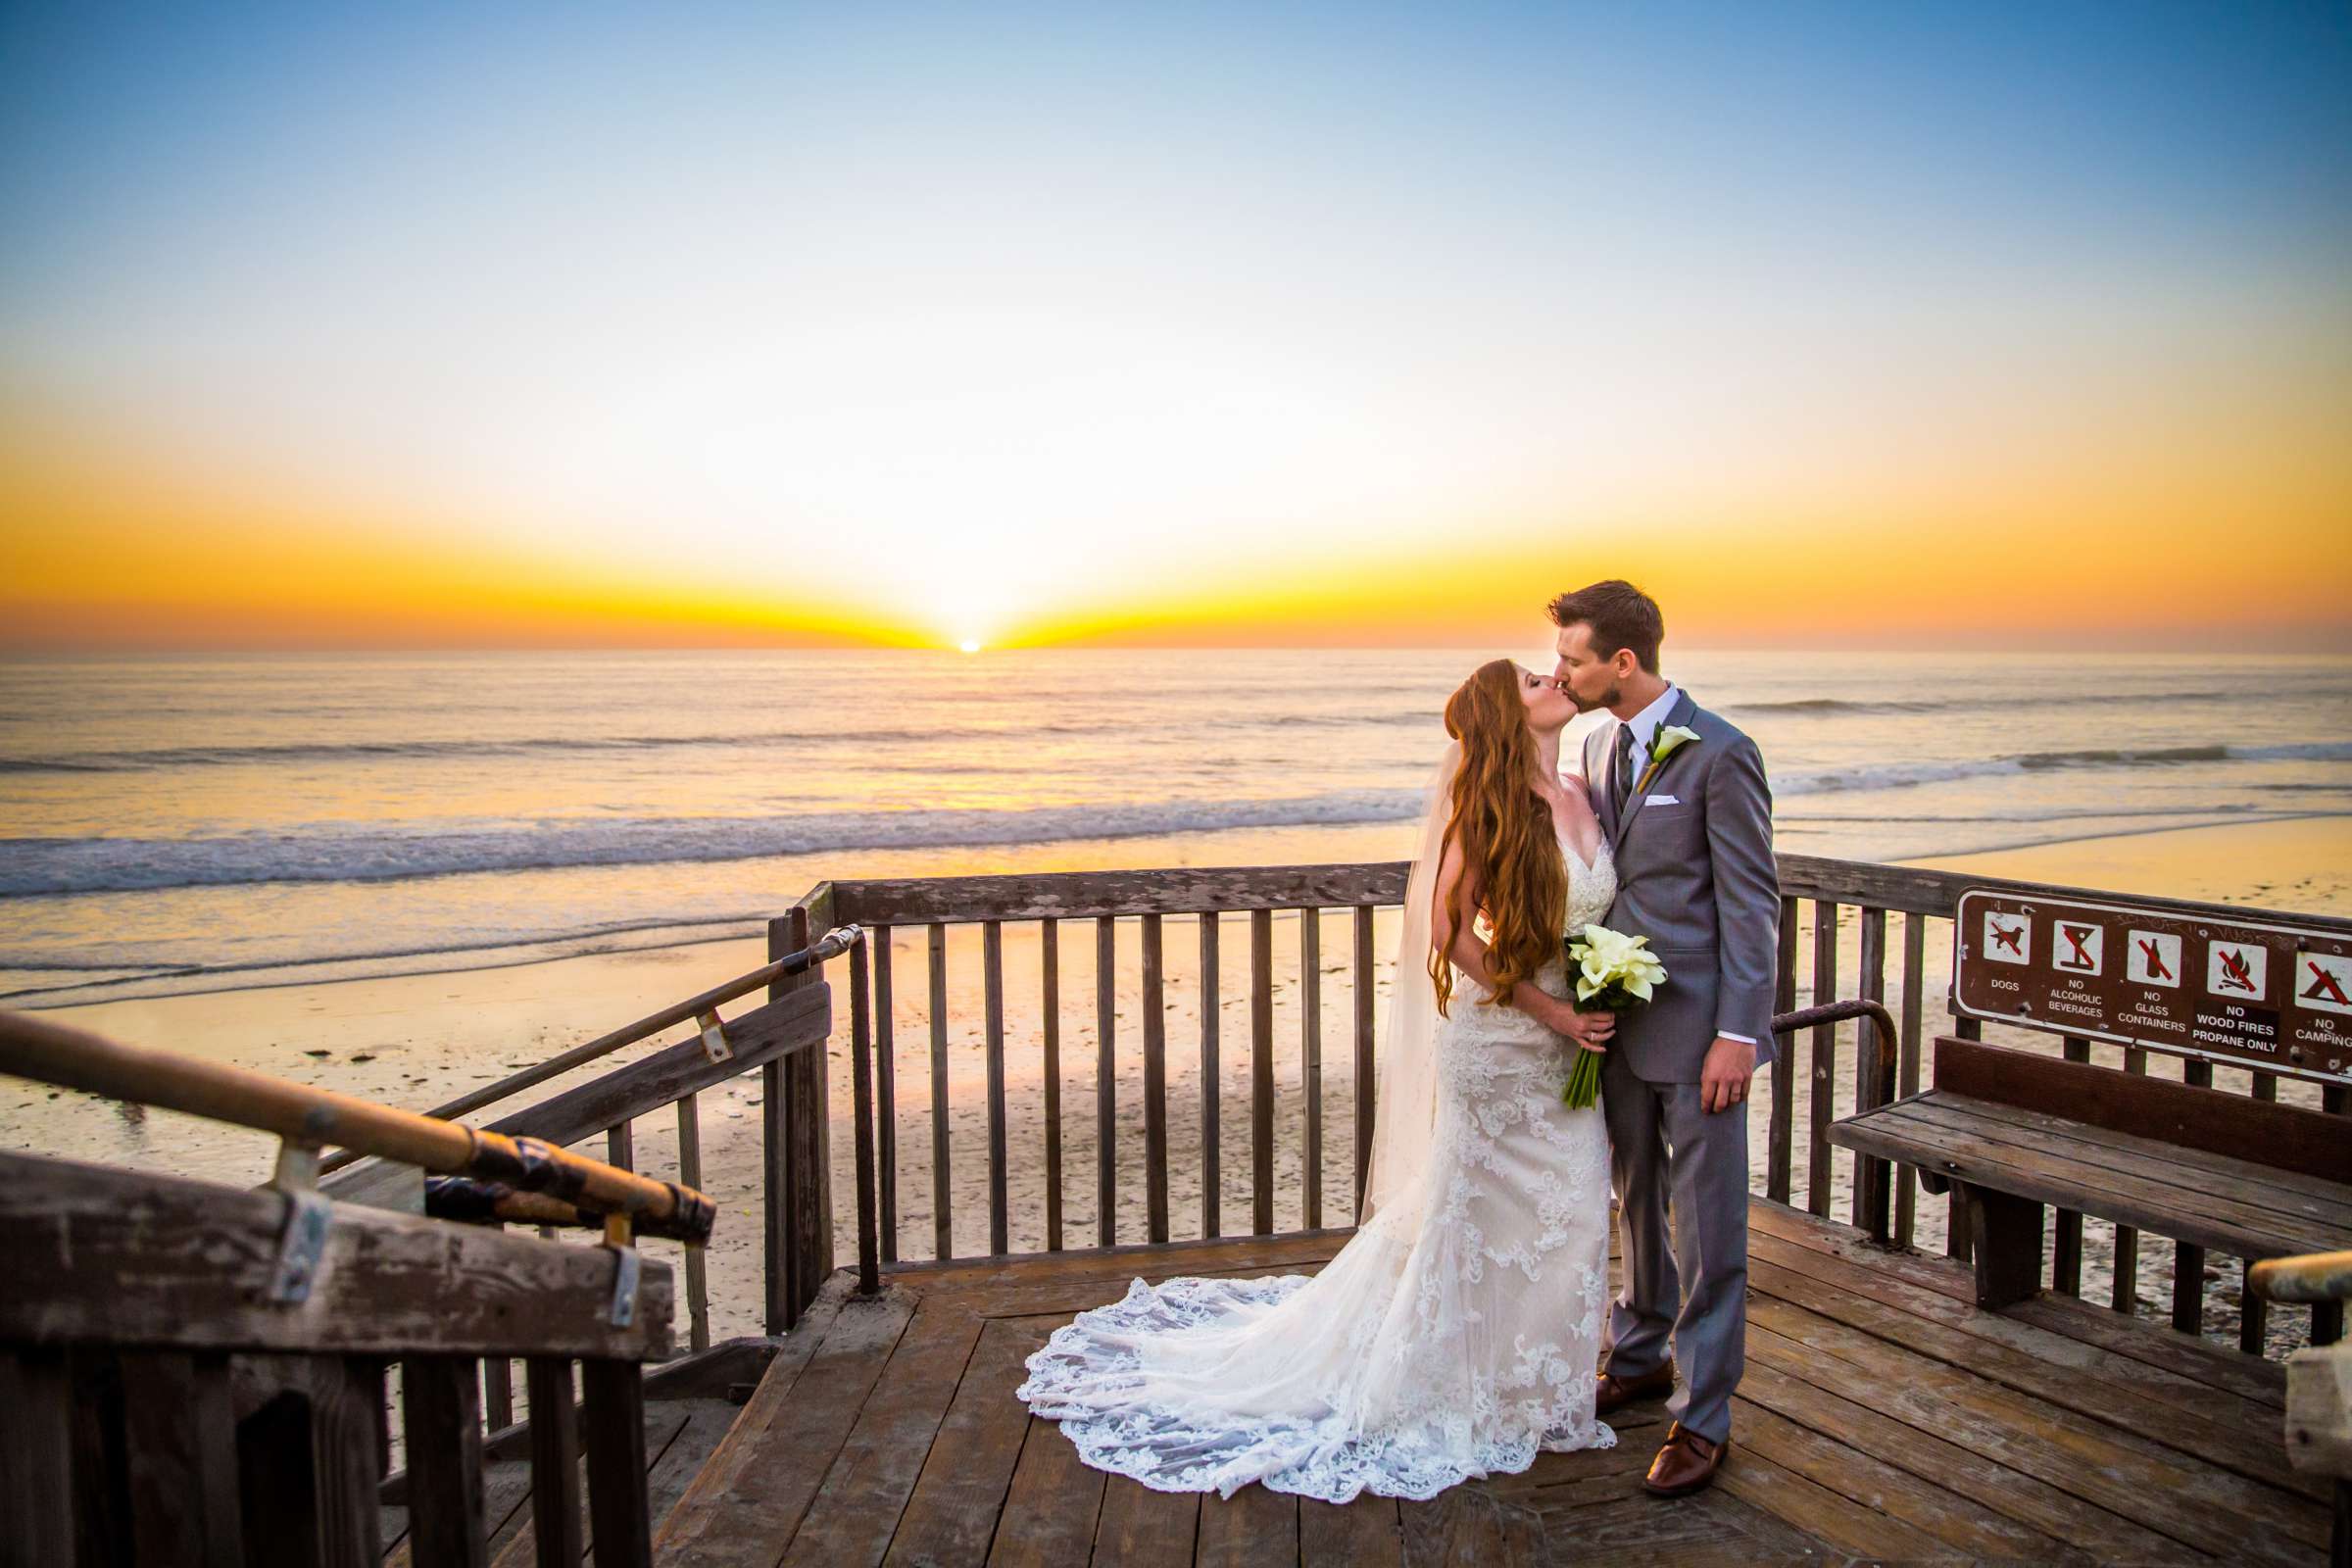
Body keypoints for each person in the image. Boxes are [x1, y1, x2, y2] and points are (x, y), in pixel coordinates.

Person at [1015, 659, 1620, 1501]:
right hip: (1505, 1045)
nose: (1549, 681)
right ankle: (1454, 1387)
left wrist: (1606, 981)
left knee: (1578, 1207)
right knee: (1476, 1218)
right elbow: (1448, 930)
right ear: (1506, 717)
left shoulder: (1588, 789)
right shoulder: (1491, 810)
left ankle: (1536, 1390)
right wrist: (1550, 1011)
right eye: (1528, 681)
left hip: (1573, 1045)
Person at [1551, 579, 1779, 1497]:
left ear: (1623, 661)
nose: (1561, 676)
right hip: (1620, 1027)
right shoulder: (1598, 745)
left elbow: (1751, 904)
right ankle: (1639, 1353)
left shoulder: (1723, 754)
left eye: (1573, 659)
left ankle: (1703, 1415)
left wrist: (1739, 1035)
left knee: (1711, 1220)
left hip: (1700, 1034)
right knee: (1633, 1201)